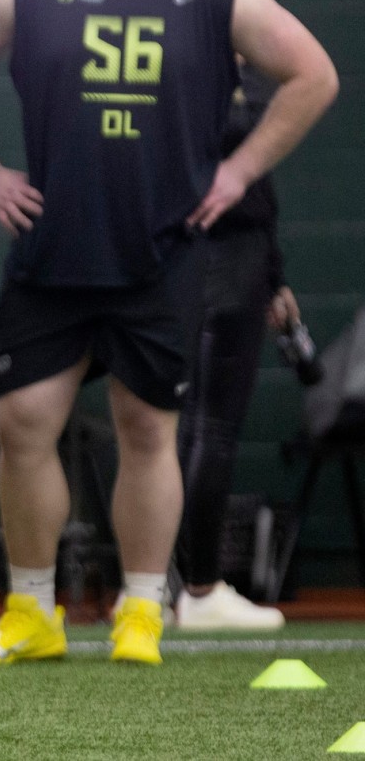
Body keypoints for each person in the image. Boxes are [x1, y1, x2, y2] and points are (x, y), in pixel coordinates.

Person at [0, 0, 336, 666]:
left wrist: (236, 173)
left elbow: (315, 73)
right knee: (23, 423)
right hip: (54, 245)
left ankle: (142, 609)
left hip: (163, 249)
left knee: (146, 428)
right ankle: (32, 611)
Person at [173, 64, 294, 630]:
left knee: (186, 429)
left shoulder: (239, 76)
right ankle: (197, 588)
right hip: (208, 255)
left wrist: (273, 275)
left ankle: (167, 588)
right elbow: (247, 181)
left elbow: (258, 184)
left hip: (212, 257)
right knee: (203, 430)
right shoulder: (204, 75)